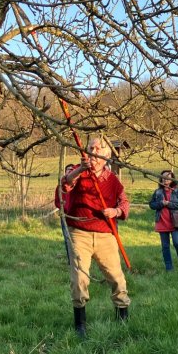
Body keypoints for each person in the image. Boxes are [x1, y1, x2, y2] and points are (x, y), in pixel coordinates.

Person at [61, 137, 131, 338]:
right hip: (79, 233)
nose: (93, 151)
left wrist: (116, 211)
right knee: (80, 278)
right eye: (90, 148)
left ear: (106, 155)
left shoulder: (113, 180)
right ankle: (80, 325)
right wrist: (80, 170)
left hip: (105, 235)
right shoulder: (77, 171)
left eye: (97, 148)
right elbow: (65, 185)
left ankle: (122, 318)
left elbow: (124, 203)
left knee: (117, 278)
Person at [149, 170, 178, 271]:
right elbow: (151, 205)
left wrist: (169, 204)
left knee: (177, 243)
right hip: (162, 222)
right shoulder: (157, 192)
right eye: (163, 177)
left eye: (168, 177)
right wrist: (161, 203)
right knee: (165, 247)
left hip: (175, 222)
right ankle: (169, 269)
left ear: (172, 178)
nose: (165, 179)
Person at [55, 164, 77, 263]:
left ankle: (79, 260)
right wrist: (62, 206)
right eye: (68, 170)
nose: (69, 171)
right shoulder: (59, 187)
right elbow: (57, 201)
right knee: (67, 239)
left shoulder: (77, 186)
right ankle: (70, 261)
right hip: (65, 216)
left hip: (75, 216)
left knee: (76, 239)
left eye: (71, 170)